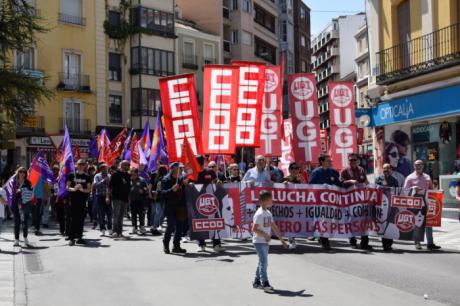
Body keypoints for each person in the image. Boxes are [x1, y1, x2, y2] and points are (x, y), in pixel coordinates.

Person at [252, 191, 288, 293]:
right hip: (259, 241)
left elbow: (274, 227)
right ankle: (265, 283)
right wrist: (266, 235)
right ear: (264, 201)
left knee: (262, 262)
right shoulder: (259, 214)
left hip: (265, 241)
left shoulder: (268, 213)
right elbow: (254, 229)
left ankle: (256, 281)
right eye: (270, 200)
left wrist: (282, 240)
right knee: (264, 262)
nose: (272, 201)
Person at [404, 160, 441, 250]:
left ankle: (430, 243)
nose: (418, 166)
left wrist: (438, 192)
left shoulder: (427, 177)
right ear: (414, 166)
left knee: (429, 223)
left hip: (427, 202)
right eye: (416, 165)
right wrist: (413, 188)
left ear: (423, 166)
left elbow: (431, 189)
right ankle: (417, 243)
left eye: (420, 165)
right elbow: (404, 190)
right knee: (418, 223)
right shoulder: (410, 178)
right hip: (415, 204)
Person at [308, 154, 341, 250]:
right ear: (322, 162)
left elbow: (338, 184)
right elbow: (311, 186)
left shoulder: (333, 172)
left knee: (330, 220)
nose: (330, 162)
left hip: (331, 201)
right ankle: (324, 241)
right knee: (322, 220)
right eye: (327, 160)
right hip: (320, 201)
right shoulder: (316, 172)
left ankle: (322, 237)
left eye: (330, 160)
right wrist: (322, 187)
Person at [340, 153, 371, 250]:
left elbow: (365, 181)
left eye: (354, 160)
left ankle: (364, 242)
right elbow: (340, 183)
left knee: (363, 220)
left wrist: (369, 185)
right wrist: (350, 181)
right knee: (351, 220)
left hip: (361, 200)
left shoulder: (361, 169)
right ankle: (352, 240)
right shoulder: (344, 171)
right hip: (350, 200)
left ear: (358, 161)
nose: (352, 161)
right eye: (350, 160)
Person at [195, 156, 223, 252]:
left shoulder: (210, 172)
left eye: (199, 162)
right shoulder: (193, 173)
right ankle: (201, 244)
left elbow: (216, 181)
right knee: (199, 223)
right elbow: (188, 184)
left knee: (214, 222)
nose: (198, 164)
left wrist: (218, 182)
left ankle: (216, 243)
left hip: (211, 201)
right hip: (198, 201)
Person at [161, 162, 187, 254]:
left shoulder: (181, 179)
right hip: (170, 206)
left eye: (182, 168)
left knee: (179, 227)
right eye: (179, 168)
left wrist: (188, 185)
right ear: (173, 169)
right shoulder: (165, 179)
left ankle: (176, 246)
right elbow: (162, 194)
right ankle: (166, 243)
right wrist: (171, 190)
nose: (181, 170)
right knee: (171, 226)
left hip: (180, 206)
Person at [66, 159, 92, 246]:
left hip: (82, 201)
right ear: (76, 165)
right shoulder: (71, 175)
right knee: (73, 220)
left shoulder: (87, 177)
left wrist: (82, 189)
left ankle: (80, 238)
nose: (81, 165)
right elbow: (67, 187)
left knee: (81, 219)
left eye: (83, 164)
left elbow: (89, 189)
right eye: (79, 164)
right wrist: (74, 189)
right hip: (73, 201)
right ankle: (71, 238)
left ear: (85, 165)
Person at [375, 163, 400, 251]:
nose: (386, 170)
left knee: (390, 223)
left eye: (388, 169)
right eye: (385, 169)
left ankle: (389, 244)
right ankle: (385, 244)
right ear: (383, 170)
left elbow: (398, 191)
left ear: (391, 170)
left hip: (391, 206)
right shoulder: (379, 179)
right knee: (383, 223)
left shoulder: (394, 180)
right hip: (381, 206)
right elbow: (375, 189)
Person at [108, 160, 131, 238]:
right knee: (116, 215)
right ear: (120, 165)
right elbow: (109, 187)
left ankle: (120, 232)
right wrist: (107, 197)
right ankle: (115, 231)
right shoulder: (115, 174)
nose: (127, 166)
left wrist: (129, 198)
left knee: (121, 216)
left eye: (128, 165)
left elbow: (128, 188)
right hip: (116, 198)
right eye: (125, 165)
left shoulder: (128, 175)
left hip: (124, 198)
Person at [13, 167, 34, 247]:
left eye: (24, 172)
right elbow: (10, 191)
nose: (22, 173)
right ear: (18, 172)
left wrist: (21, 190)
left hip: (26, 203)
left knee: (25, 221)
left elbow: (31, 191)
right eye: (20, 172)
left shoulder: (28, 182)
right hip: (16, 203)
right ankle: (16, 240)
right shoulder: (14, 182)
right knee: (17, 221)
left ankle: (25, 238)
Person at [283, 162, 302, 249]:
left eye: (297, 168)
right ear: (289, 169)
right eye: (293, 168)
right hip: (288, 205)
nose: (294, 170)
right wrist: (283, 184)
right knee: (290, 221)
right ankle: (291, 238)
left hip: (299, 204)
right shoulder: (285, 179)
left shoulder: (302, 179)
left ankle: (292, 237)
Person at [148, 165, 168, 236]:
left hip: (159, 197)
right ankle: (154, 226)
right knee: (158, 212)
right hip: (159, 197)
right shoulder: (160, 177)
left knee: (160, 212)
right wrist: (150, 192)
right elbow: (156, 186)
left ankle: (157, 226)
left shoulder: (164, 177)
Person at [93, 163, 111, 236]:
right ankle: (102, 228)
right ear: (100, 169)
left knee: (109, 213)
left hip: (109, 196)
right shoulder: (97, 176)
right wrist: (103, 181)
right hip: (100, 196)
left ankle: (110, 228)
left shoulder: (110, 176)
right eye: (103, 168)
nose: (104, 169)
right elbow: (95, 185)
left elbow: (111, 186)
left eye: (106, 168)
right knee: (101, 213)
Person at [129, 168, 148, 235]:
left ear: (136, 173)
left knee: (141, 214)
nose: (131, 173)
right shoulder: (129, 180)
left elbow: (146, 189)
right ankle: (134, 227)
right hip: (132, 200)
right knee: (133, 214)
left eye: (132, 171)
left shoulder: (142, 180)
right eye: (131, 171)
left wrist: (143, 191)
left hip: (140, 200)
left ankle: (142, 227)